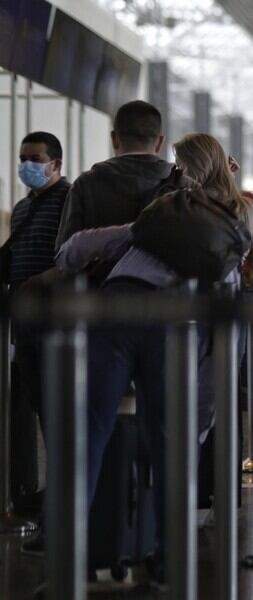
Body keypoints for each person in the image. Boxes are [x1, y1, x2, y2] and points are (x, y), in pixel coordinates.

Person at [54, 132, 253, 581]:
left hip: (121, 312)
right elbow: (226, 314)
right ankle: (168, 563)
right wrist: (203, 415)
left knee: (87, 438)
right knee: (171, 448)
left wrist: (67, 257)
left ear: (184, 167)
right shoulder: (232, 227)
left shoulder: (165, 211)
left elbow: (90, 245)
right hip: (175, 329)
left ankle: (71, 561)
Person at [6, 132, 70, 514]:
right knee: (29, 402)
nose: (27, 165)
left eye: (35, 158)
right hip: (24, 322)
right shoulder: (22, 208)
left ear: (56, 164)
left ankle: (61, 494)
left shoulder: (69, 200)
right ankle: (29, 489)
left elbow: (73, 257)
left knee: (56, 406)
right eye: (22, 158)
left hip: (55, 320)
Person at [55, 100, 172, 250]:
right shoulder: (184, 186)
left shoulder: (86, 184)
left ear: (114, 139)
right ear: (160, 142)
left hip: (99, 274)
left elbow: (65, 253)